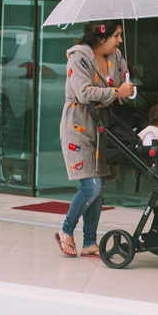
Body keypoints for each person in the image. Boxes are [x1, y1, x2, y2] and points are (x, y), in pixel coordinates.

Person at [54, 20, 134, 258]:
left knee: (99, 188)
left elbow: (125, 90)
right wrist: (114, 93)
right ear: (102, 36)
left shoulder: (116, 57)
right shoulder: (78, 57)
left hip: (103, 127)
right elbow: (83, 93)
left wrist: (119, 92)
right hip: (77, 127)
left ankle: (90, 242)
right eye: (116, 35)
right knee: (92, 186)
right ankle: (65, 230)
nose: (120, 40)